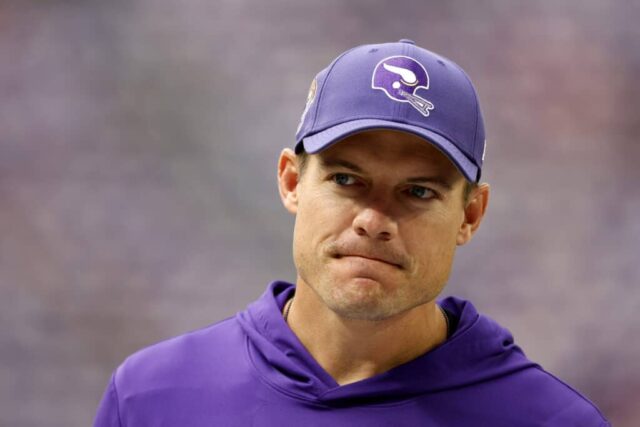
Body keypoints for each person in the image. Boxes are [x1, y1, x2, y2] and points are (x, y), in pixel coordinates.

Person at [94, 39, 610, 426]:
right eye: (346, 180)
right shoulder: (152, 398)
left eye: (418, 192)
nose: (374, 219)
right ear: (292, 181)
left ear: (470, 215)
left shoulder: (550, 421)